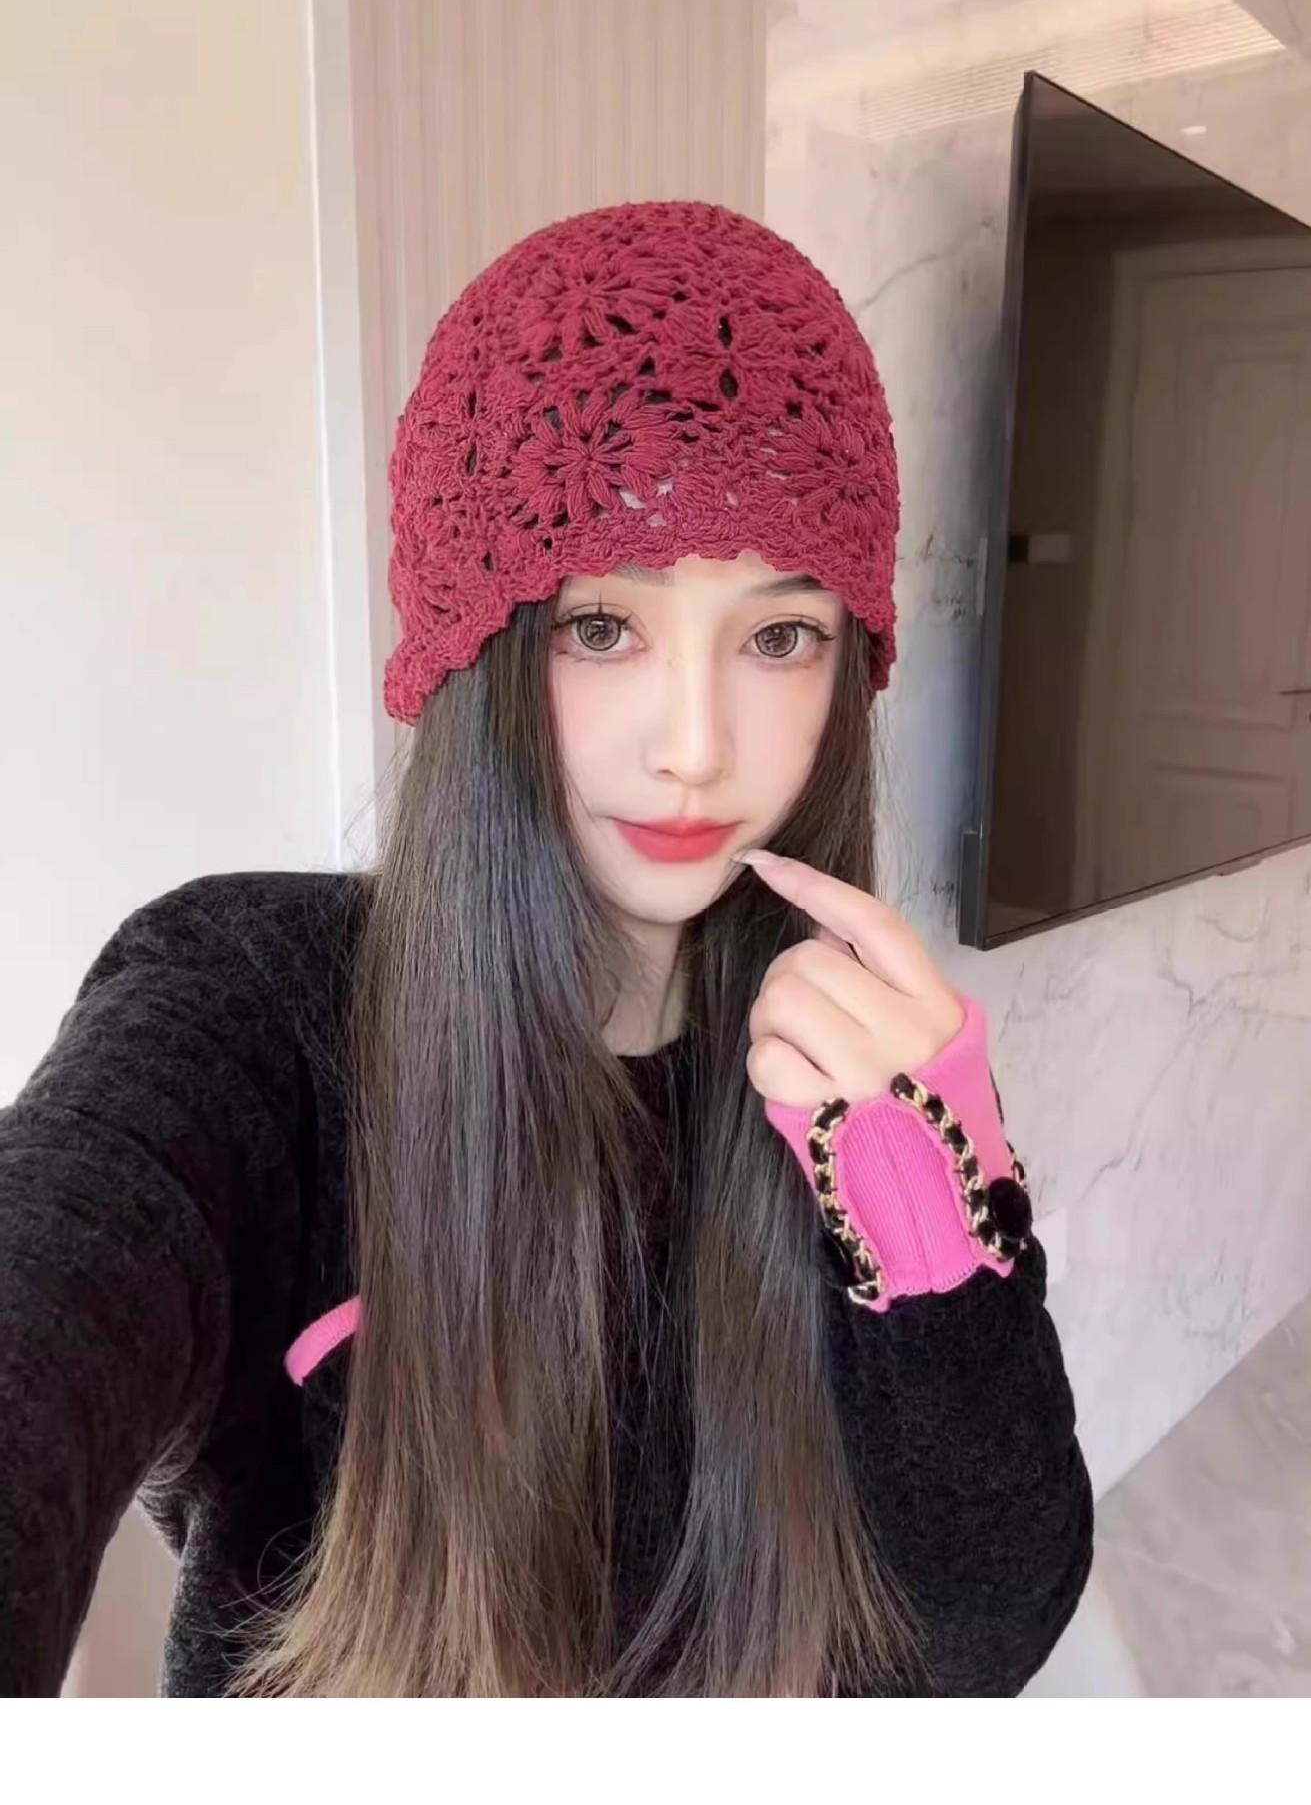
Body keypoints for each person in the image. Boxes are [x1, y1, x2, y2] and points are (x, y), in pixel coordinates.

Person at [0, 199, 1093, 1698]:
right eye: (602, 628)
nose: (696, 748)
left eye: (779, 638)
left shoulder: (853, 1067)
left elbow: (980, 1640)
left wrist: (930, 1216)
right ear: (480, 649)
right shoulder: (251, 1010)